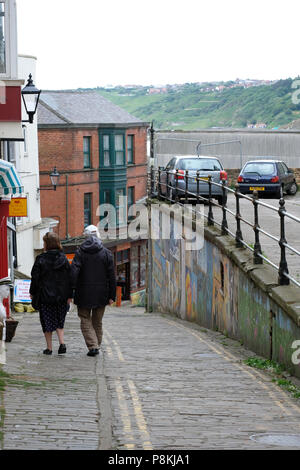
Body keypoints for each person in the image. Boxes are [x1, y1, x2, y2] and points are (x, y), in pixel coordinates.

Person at [71, 225, 116, 357]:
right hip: (102, 293)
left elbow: (74, 272)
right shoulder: (106, 253)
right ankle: (97, 345)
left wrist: (71, 290)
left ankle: (93, 346)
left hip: (83, 293)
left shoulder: (80, 252)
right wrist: (112, 295)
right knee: (97, 321)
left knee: (84, 318)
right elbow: (112, 276)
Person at [30, 232, 72, 355]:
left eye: (44, 242)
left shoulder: (41, 259)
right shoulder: (63, 259)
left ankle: (49, 348)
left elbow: (35, 278)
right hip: (61, 296)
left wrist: (32, 292)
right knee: (60, 320)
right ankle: (62, 343)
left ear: (47, 244)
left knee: (47, 321)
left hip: (45, 295)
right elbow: (69, 279)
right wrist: (70, 295)